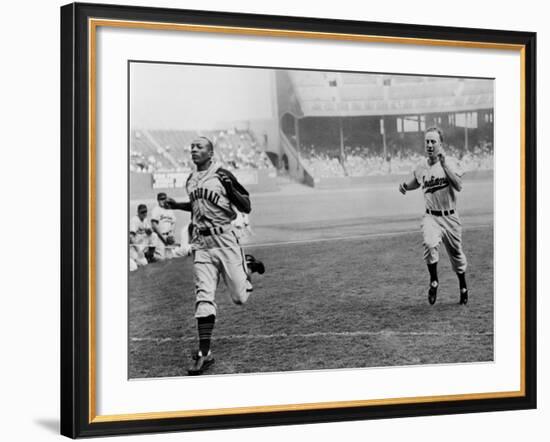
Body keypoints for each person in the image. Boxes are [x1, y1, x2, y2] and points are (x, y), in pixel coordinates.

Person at [166, 136, 265, 375]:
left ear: (210, 153)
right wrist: (177, 206)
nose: (193, 149)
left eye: (199, 146)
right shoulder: (190, 180)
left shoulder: (222, 175)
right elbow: (197, 204)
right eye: (192, 146)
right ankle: (204, 353)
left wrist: (231, 190)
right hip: (202, 243)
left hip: (226, 241)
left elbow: (246, 206)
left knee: (240, 298)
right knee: (203, 298)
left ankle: (247, 266)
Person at [398, 127, 469, 305]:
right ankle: (434, 281)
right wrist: (406, 186)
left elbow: (459, 185)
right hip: (431, 217)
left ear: (440, 144)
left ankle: (463, 285)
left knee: (457, 255)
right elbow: (417, 181)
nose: (429, 145)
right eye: (427, 141)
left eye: (433, 141)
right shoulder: (421, 165)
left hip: (450, 217)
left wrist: (444, 165)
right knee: (429, 244)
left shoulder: (451, 162)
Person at [150, 192, 177, 261]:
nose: (163, 201)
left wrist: (171, 233)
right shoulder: (156, 210)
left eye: (164, 199)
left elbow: (173, 222)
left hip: (169, 236)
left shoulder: (169, 209)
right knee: (161, 258)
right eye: (161, 199)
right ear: (158, 200)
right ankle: (151, 258)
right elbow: (154, 226)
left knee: (170, 258)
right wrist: (163, 238)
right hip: (160, 237)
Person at [129, 204, 153, 270]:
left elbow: (150, 232)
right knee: (136, 267)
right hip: (133, 248)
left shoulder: (145, 219)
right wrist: (138, 251)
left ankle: (150, 255)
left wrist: (149, 230)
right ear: (138, 212)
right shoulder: (134, 220)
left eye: (145, 211)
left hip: (141, 245)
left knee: (154, 236)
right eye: (142, 212)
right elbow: (131, 237)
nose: (144, 213)